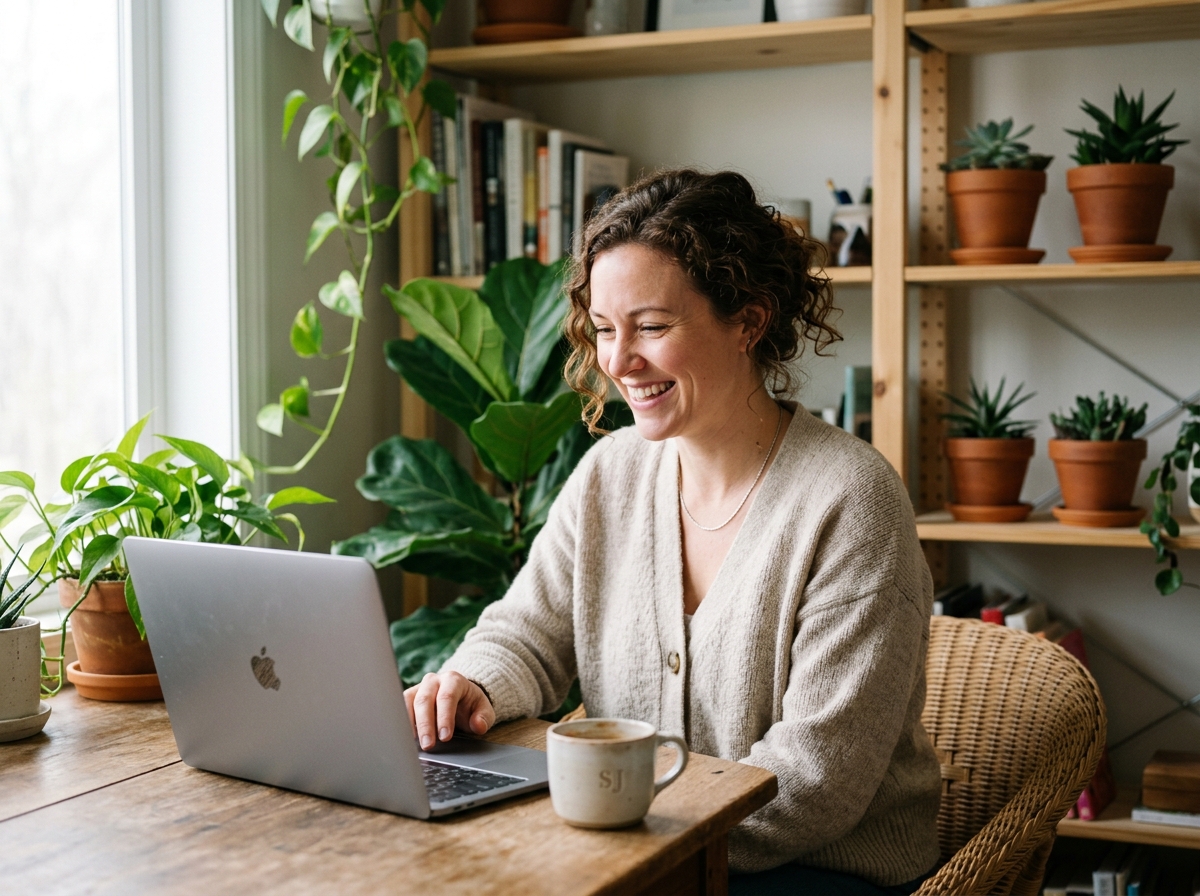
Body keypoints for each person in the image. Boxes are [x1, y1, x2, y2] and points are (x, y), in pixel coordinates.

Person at [404, 169, 941, 894]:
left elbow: (817, 784)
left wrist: (629, 834)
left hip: (816, 870)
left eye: (652, 328)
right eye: (602, 330)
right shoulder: (609, 476)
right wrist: (473, 683)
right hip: (642, 848)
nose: (618, 362)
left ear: (748, 321)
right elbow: (527, 634)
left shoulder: (852, 500)